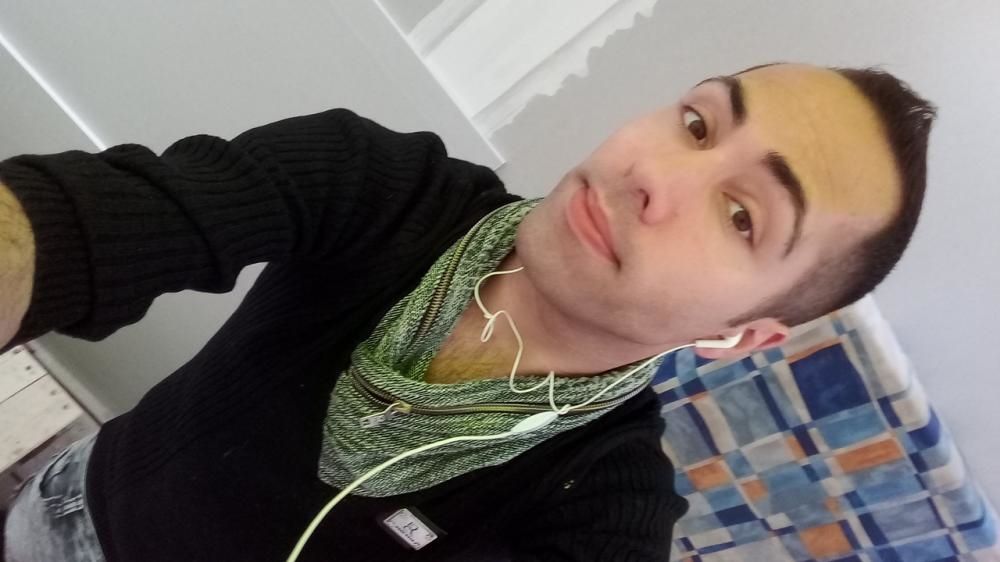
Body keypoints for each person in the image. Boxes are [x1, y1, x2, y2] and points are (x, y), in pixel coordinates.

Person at [0, 62, 934, 561]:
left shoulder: (602, 509)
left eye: (741, 216)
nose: (652, 173)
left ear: (741, 337)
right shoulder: (382, 186)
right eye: (696, 123)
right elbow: (80, 228)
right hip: (64, 510)